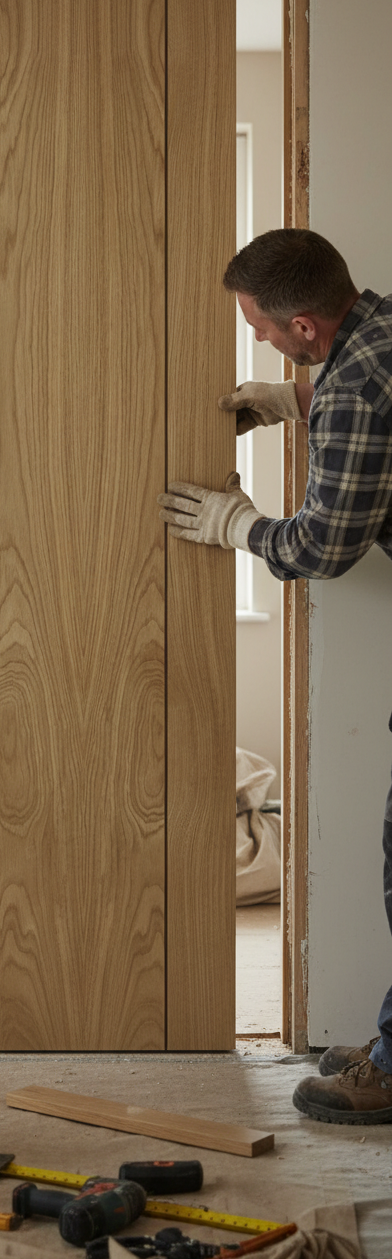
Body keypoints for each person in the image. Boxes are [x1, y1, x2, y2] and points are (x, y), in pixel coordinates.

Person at [158, 227, 392, 1125]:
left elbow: (323, 546)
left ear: (302, 324)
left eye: (261, 328)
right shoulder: (376, 335)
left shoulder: (360, 384)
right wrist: (297, 399)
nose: (254, 340)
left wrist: (237, 524)